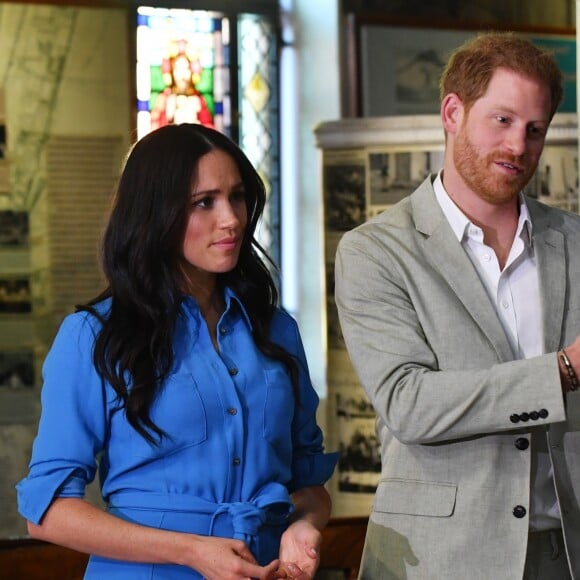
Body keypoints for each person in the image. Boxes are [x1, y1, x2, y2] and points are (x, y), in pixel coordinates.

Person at [17, 123, 338, 579]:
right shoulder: (93, 336)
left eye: (238, 196)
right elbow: (46, 512)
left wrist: (303, 527)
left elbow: (308, 484)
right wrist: (190, 551)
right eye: (203, 202)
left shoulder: (275, 330)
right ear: (155, 214)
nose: (231, 219)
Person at [334, 32, 580, 579]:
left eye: (535, 129)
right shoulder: (375, 251)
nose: (519, 146)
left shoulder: (575, 242)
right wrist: (563, 371)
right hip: (437, 557)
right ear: (452, 111)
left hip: (564, 552)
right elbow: (409, 403)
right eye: (502, 120)